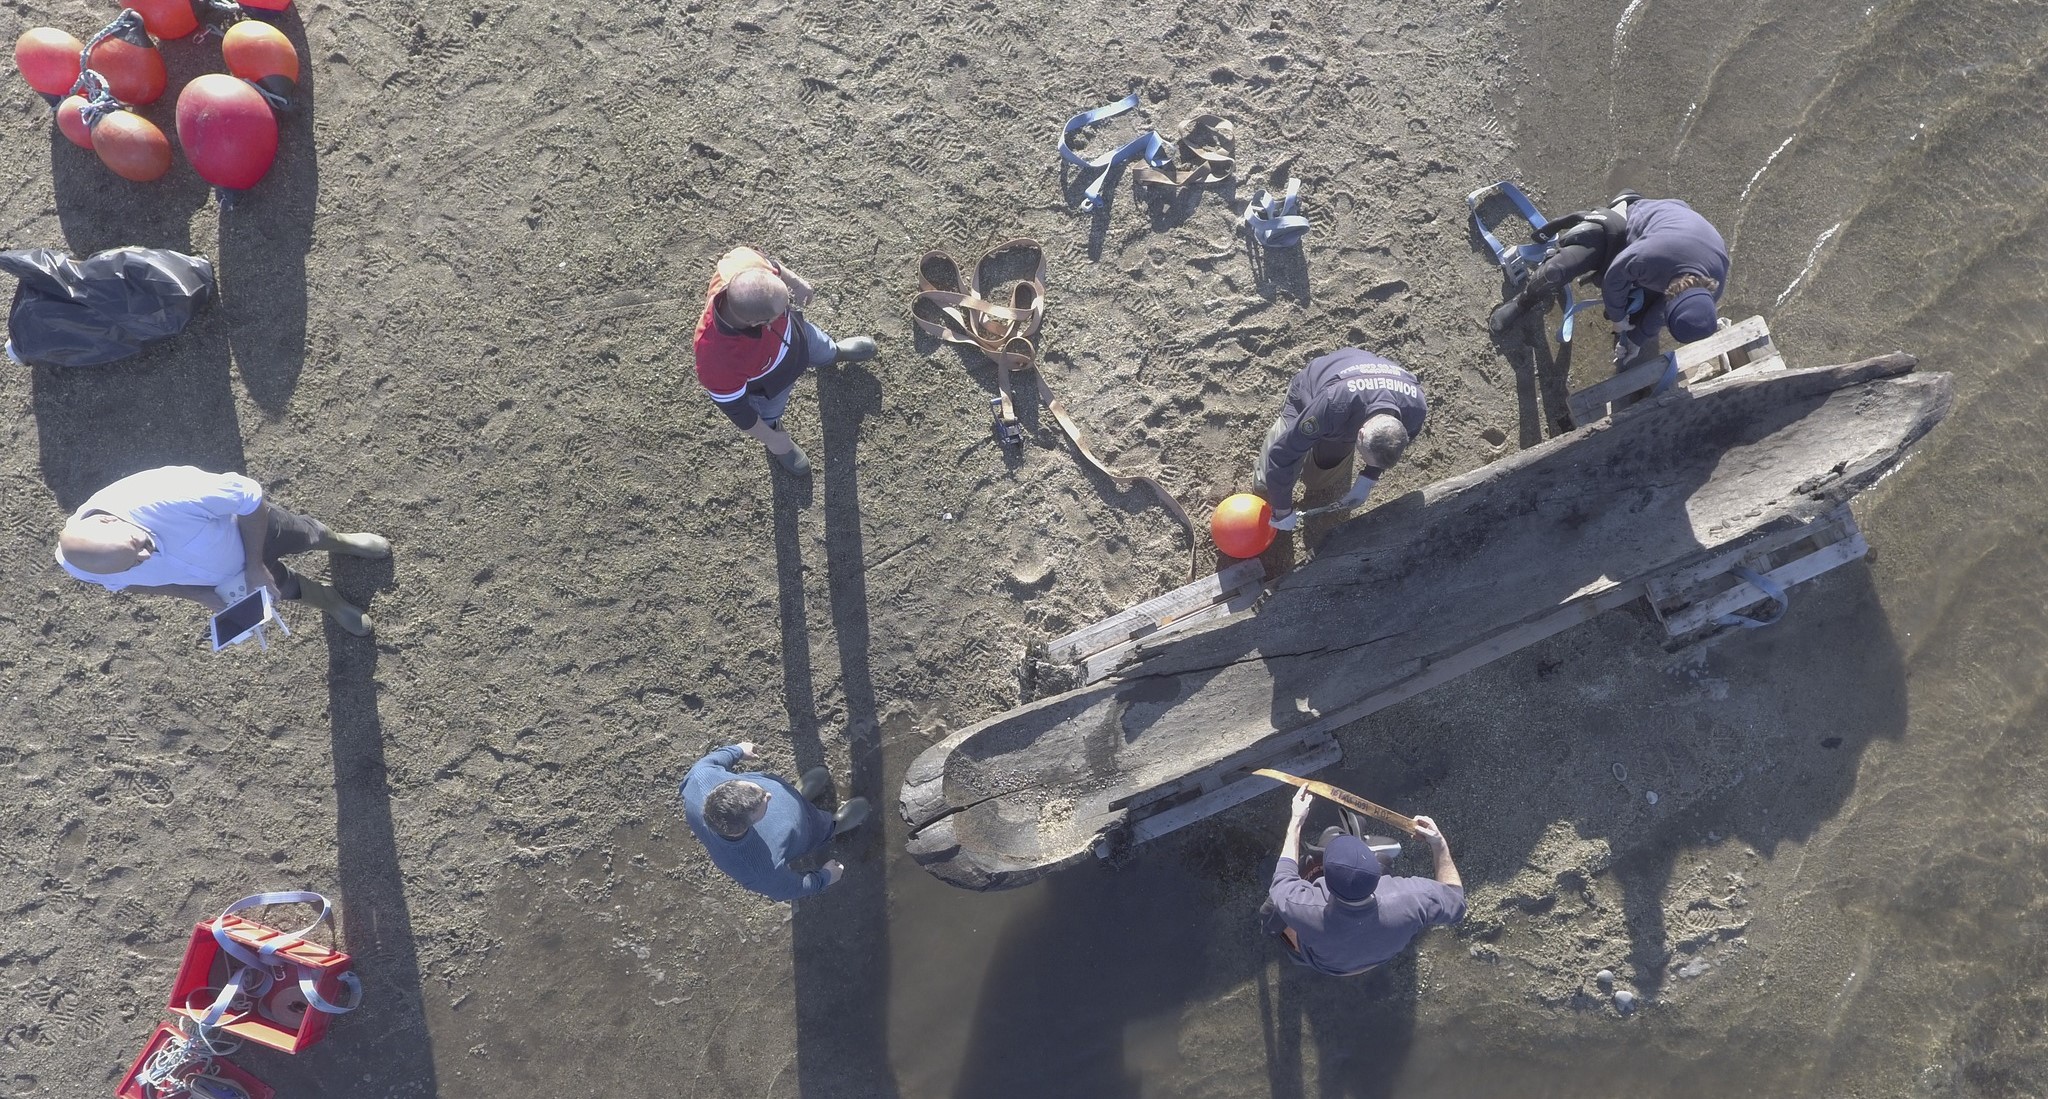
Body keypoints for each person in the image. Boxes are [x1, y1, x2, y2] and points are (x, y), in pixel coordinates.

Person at [55, 465, 389, 637]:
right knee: (285, 589)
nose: (144, 557)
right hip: (227, 575)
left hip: (254, 533)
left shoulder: (165, 494)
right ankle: (331, 602)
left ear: (110, 520)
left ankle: (341, 542)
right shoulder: (85, 563)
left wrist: (256, 563)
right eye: (132, 563)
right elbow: (131, 584)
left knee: (307, 536)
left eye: (138, 546)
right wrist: (197, 594)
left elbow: (249, 502)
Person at [692, 246, 878, 477]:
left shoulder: (744, 264)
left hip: (798, 338)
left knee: (820, 345)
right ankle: (776, 433)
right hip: (770, 384)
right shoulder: (717, 360)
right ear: (757, 323)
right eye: (782, 311)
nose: (788, 308)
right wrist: (772, 440)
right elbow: (737, 409)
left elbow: (774, 267)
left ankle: (834, 353)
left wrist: (796, 282)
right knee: (769, 413)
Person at [1488, 192, 1729, 369]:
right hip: (1630, 226)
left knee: (1639, 318)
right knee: (1556, 272)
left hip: (1676, 233)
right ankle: (1523, 302)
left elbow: (1661, 314)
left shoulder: (1711, 289)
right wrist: (1618, 319)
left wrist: (1636, 338)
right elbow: (1615, 275)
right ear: (1674, 292)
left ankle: (1628, 336)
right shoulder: (1652, 256)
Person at [1260, 786, 1465, 976]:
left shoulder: (1306, 906)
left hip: (1327, 964)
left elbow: (1283, 878)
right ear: (1376, 872)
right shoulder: (1412, 897)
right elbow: (1456, 900)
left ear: (1326, 883)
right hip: (1378, 956)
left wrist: (1296, 820)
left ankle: (1273, 932)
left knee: (1273, 907)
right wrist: (1439, 844)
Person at [1255, 349, 1426, 531]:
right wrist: (1281, 510)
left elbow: (1388, 446)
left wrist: (1370, 476)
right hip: (1311, 394)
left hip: (1344, 415)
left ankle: (1327, 444)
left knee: (1317, 481)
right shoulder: (1334, 403)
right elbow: (1283, 453)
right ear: (1359, 434)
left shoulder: (1415, 410)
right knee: (1265, 482)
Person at [681, 741, 870, 901]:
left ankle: (798, 795)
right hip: (803, 831)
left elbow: (707, 763)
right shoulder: (758, 869)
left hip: (789, 804)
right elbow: (789, 889)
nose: (768, 795)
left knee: (787, 796)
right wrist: (825, 877)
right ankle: (834, 826)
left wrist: (737, 750)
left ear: (726, 787)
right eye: (763, 803)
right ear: (744, 827)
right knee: (817, 829)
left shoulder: (700, 779)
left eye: (757, 790)